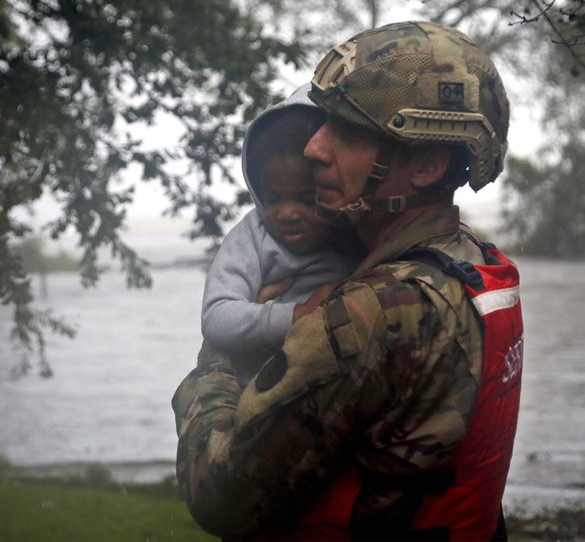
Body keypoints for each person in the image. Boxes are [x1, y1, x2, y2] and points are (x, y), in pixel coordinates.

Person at [173, 20, 523, 542]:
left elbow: (220, 499)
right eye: (323, 124)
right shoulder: (476, 264)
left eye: (349, 131)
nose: (313, 148)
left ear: (426, 164)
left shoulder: (367, 313)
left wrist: (216, 362)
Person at [201, 83, 360, 386]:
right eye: (273, 199)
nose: (287, 214)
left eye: (305, 199)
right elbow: (216, 317)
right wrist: (297, 316)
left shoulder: (354, 234)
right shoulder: (253, 237)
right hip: (260, 395)